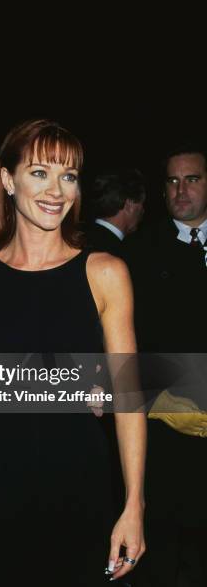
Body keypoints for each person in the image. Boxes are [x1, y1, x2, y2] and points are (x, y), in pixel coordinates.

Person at [0, 119, 146, 586]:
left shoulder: (104, 272)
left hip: (79, 497)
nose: (56, 190)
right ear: (7, 180)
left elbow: (129, 396)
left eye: (69, 175)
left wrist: (134, 505)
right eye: (39, 173)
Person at [127, 144, 207, 586]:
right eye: (172, 181)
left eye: (192, 178)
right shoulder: (139, 253)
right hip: (168, 428)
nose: (181, 190)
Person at [86, 169, 145, 258]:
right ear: (129, 205)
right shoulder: (119, 255)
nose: (143, 211)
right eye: (142, 204)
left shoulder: (78, 239)